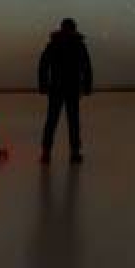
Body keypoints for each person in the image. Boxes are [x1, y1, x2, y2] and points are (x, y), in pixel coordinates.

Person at [37, 17, 93, 164]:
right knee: (68, 121)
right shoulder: (76, 45)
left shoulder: (57, 44)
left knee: (56, 120)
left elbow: (43, 65)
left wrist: (43, 85)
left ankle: (48, 152)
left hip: (61, 88)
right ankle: (69, 152)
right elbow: (86, 67)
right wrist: (87, 86)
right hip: (66, 89)